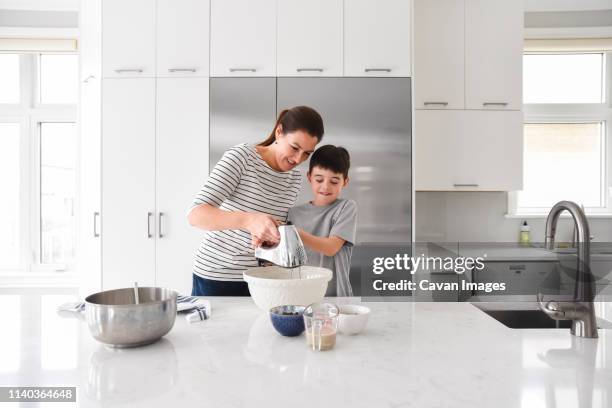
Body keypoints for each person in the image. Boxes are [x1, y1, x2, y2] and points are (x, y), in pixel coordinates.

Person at [187, 106, 324, 296]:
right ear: (279, 132)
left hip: (263, 279)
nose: (298, 159)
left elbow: (266, 229)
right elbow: (196, 215)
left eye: (307, 153)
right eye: (294, 147)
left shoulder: (294, 178)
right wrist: (250, 220)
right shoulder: (242, 158)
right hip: (218, 276)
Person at [288, 145, 357, 297]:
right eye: (319, 179)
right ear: (309, 177)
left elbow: (331, 248)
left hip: (336, 296)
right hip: (300, 294)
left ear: (345, 181)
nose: (325, 186)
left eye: (334, 181)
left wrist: (295, 234)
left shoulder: (346, 207)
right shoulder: (293, 213)